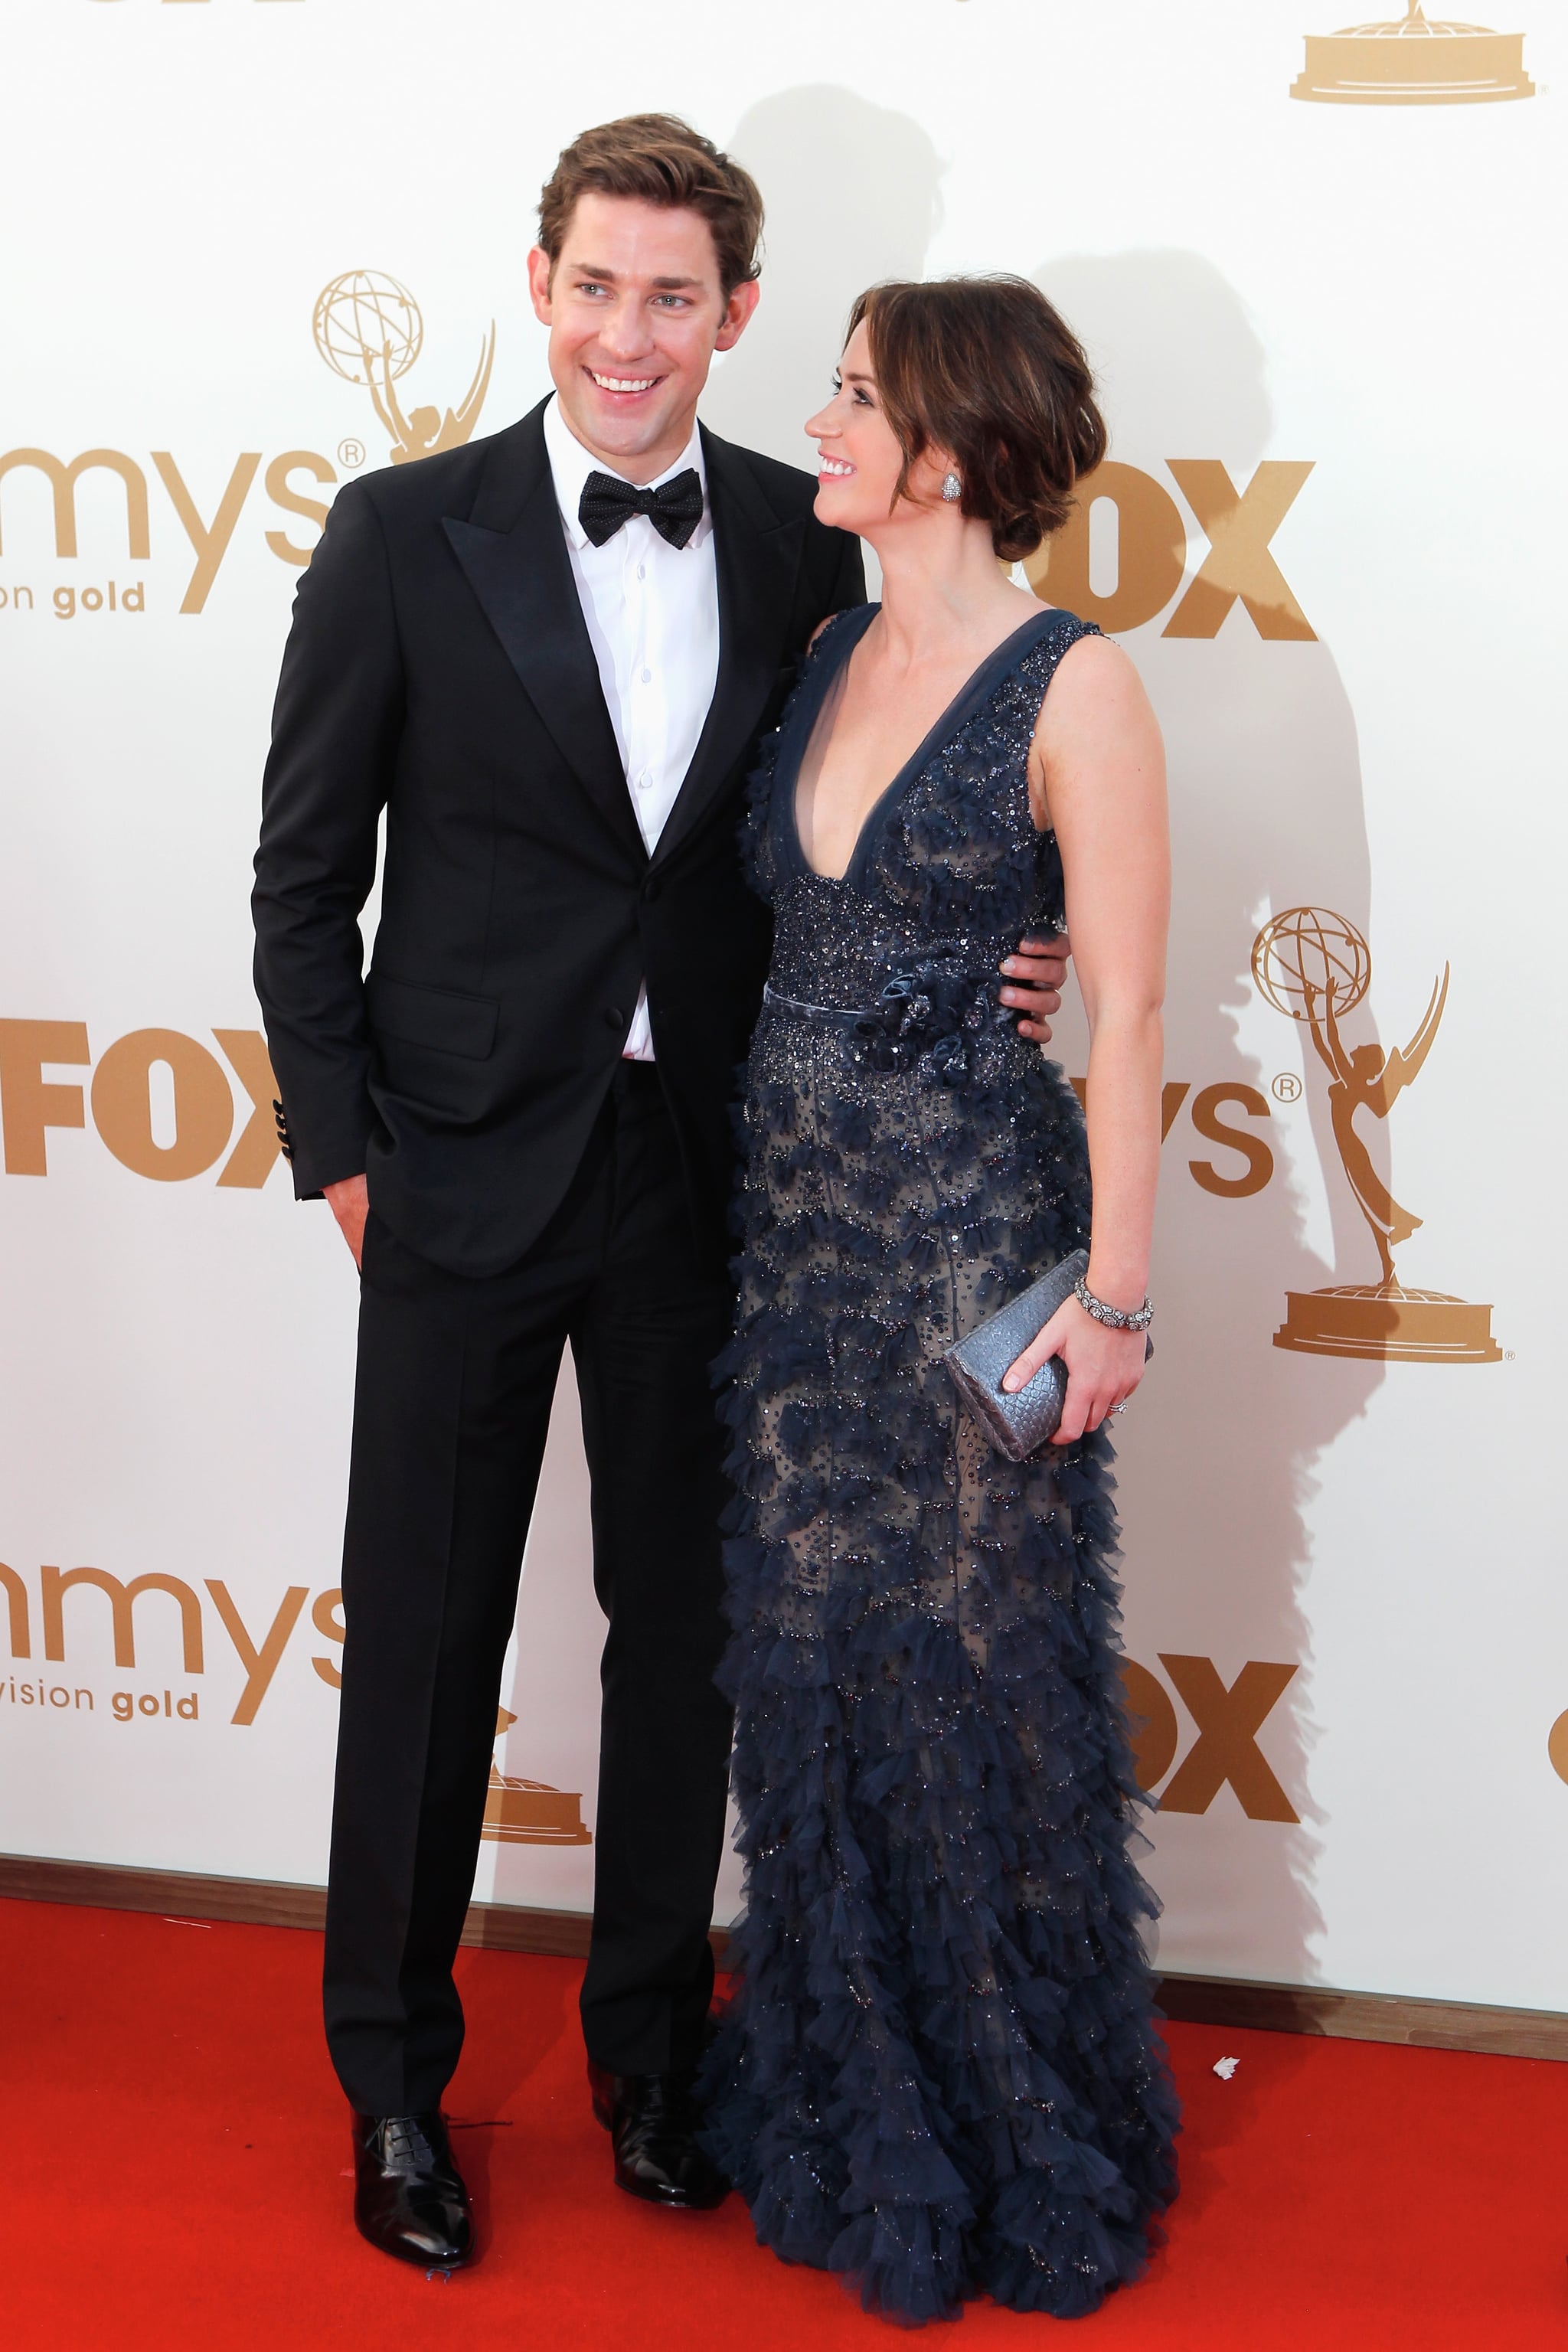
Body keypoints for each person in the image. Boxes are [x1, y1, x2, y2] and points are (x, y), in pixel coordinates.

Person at [251, 117, 1067, 2270]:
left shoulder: (814, 550)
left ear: (737, 314)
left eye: (674, 296)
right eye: (597, 287)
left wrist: (1017, 946)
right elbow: (303, 871)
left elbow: (897, 808)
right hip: (454, 1171)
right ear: (539, 288)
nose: (631, 334)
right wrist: (341, 1149)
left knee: (680, 1644)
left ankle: (643, 2056)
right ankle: (398, 2091)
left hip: (720, 1178)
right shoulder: (400, 533)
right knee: (421, 1645)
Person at [699, 277, 1179, 2324]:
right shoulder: (824, 651)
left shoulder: (1081, 690)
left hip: (978, 1248)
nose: (818, 416)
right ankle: (846, 2085)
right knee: (815, 1689)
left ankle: (1013, 2121)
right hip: (797, 1272)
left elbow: (1134, 1007)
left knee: (976, 1697)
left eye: (855, 394)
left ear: (954, 453)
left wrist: (1121, 1299)